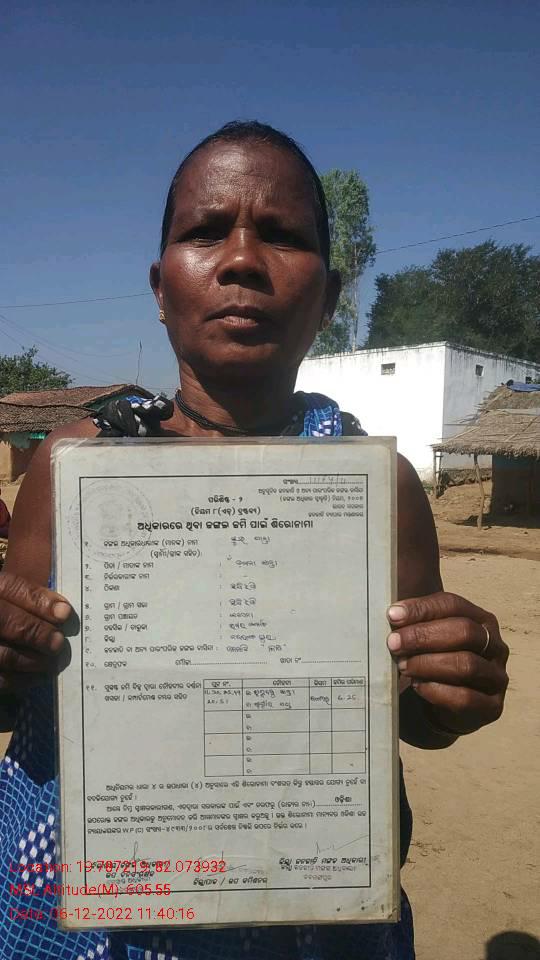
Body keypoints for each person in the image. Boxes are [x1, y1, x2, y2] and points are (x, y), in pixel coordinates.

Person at [0, 121, 509, 960]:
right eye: (207, 231)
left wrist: (457, 685)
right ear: (161, 286)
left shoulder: (379, 487)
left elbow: (415, 718)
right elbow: (16, 700)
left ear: (329, 296)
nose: (241, 260)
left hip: (312, 913)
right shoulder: (72, 463)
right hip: (91, 916)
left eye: (282, 234)